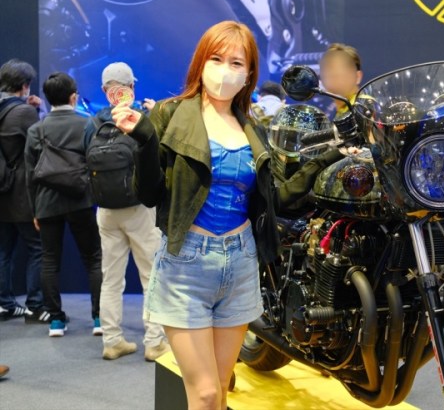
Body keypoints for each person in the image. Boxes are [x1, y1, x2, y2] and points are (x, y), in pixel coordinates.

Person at [111, 21, 343, 410]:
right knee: (203, 395)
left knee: (220, 389)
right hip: (186, 266)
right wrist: (145, 140)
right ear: (201, 62)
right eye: (216, 59)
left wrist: (328, 156)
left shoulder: (253, 128)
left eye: (236, 62)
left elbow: (279, 198)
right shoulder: (171, 114)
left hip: (241, 264)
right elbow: (147, 193)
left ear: (249, 73)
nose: (225, 70)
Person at [84, 62, 168, 361]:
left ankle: (112, 341)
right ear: (131, 87)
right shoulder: (140, 119)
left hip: (105, 210)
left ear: (104, 90)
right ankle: (154, 342)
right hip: (140, 209)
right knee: (151, 276)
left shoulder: (92, 123)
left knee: (111, 279)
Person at [24, 72, 103, 337]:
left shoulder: (36, 130)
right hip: (82, 200)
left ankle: (56, 321)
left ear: (47, 98)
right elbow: (96, 163)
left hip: (46, 203)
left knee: (49, 260)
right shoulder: (88, 123)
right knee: (93, 259)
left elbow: (30, 175)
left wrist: (35, 210)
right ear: (73, 97)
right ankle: (99, 317)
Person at [0, 59, 49, 323]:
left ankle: (4, 304)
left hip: (1, 192)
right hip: (21, 193)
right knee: (37, 248)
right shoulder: (23, 113)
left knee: (3, 250)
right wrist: (40, 110)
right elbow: (42, 143)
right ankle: (35, 306)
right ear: (24, 85)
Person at [319, 43, 364, 117]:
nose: (336, 83)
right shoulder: (334, 112)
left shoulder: (365, 108)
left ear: (358, 77)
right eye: (330, 76)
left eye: (340, 75)